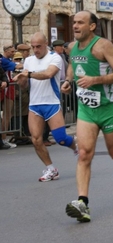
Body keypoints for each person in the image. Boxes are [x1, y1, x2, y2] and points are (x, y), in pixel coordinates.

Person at [61, 10, 113, 222]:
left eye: (80, 23)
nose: (75, 26)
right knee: (84, 153)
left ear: (92, 26)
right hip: (86, 109)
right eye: (74, 22)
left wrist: (94, 80)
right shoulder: (72, 47)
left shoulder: (103, 45)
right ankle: (82, 203)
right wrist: (67, 82)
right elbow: (72, 66)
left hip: (109, 107)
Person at [12, 32, 79, 181]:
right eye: (33, 47)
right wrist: (21, 80)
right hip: (35, 105)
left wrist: (28, 74)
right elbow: (25, 84)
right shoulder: (28, 60)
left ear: (45, 44)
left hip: (52, 102)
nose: (36, 50)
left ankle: (75, 145)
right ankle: (51, 169)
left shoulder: (54, 58)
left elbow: (48, 74)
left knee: (60, 139)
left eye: (38, 46)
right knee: (36, 140)